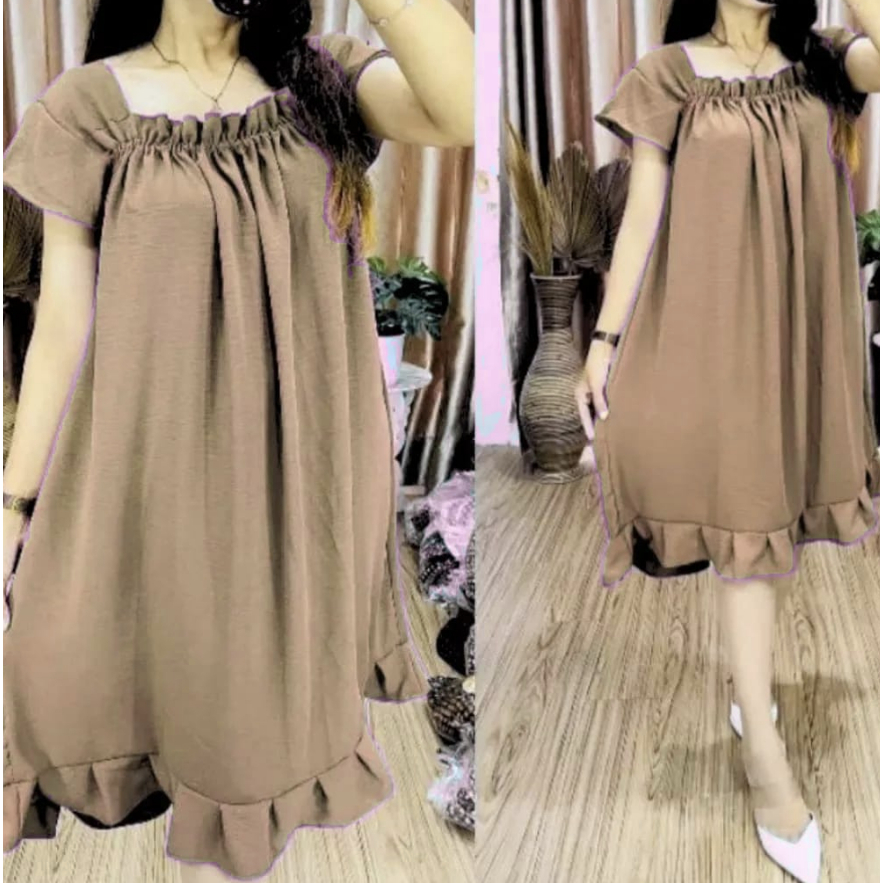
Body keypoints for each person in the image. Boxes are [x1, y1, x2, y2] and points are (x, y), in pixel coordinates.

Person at [1, 0, 473, 880]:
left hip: (302, 473)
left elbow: (464, 107)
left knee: (255, 726)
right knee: (117, 674)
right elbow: (62, 320)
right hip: (151, 467)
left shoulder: (323, 79)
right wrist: (14, 505)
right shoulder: (85, 109)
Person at [576, 1, 879, 881]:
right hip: (715, 328)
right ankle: (762, 753)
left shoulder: (826, 61)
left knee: (774, 513)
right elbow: (641, 215)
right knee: (745, 523)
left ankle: (751, 704)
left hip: (804, 328)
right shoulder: (669, 74)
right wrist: (604, 339)